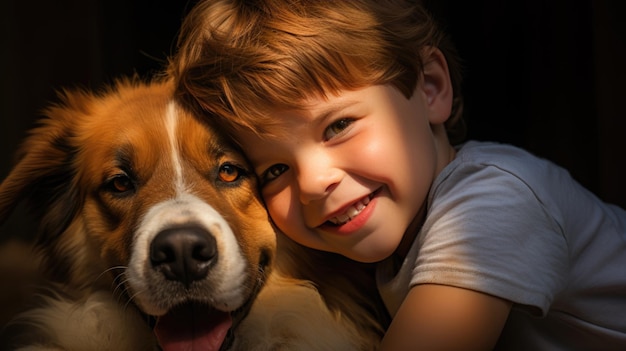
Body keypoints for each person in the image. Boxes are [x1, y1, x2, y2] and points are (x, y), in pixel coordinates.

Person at [170, 0, 626, 349]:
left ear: (430, 88)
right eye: (273, 169)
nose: (311, 182)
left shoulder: (494, 202)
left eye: (338, 126)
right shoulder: (383, 240)